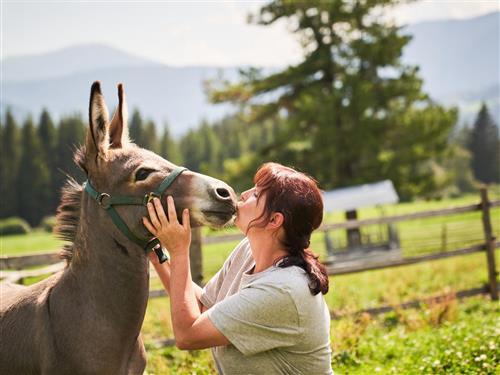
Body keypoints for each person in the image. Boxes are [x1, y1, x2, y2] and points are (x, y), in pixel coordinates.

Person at [143, 162, 333, 374]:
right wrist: (156, 249)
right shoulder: (248, 251)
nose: (243, 194)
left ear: (274, 220)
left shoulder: (283, 290)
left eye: (256, 195)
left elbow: (188, 335)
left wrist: (179, 251)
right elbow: (203, 308)